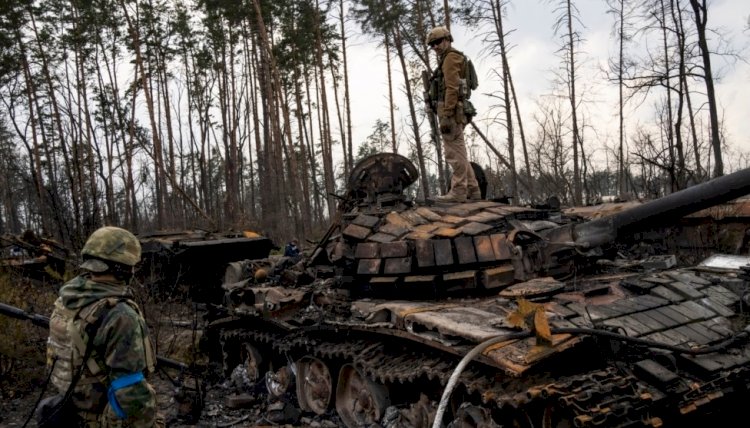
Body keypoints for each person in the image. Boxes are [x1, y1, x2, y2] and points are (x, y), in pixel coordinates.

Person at [40, 226, 162, 427]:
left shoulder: (68, 300)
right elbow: (130, 393)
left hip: (72, 411)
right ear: (123, 268)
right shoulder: (121, 315)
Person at [426, 25, 481, 203]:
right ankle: (472, 189)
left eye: (438, 42)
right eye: (432, 44)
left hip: (450, 110)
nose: (435, 46)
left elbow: (452, 87)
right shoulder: (449, 58)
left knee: (453, 153)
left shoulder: (450, 58)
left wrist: (447, 114)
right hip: (452, 109)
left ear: (448, 40)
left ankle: (458, 191)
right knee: (459, 152)